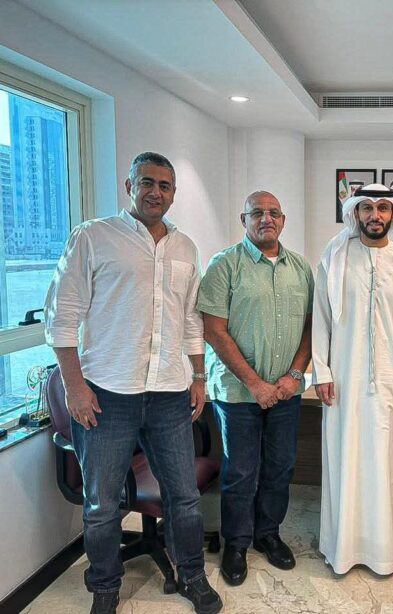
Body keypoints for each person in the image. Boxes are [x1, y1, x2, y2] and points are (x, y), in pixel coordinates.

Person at [44, 152, 222, 614]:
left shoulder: (185, 248)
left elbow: (190, 321)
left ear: (173, 193)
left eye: (164, 185)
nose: (155, 192)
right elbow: (61, 318)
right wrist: (75, 388)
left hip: (169, 393)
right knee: (102, 504)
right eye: (147, 182)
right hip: (106, 394)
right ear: (129, 186)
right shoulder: (93, 237)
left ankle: (193, 576)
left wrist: (198, 375)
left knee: (184, 498)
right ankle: (105, 587)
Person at [312, 183, 393, 575]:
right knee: (344, 462)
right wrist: (322, 371)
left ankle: (383, 553)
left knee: (386, 463)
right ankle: (342, 548)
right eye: (366, 208)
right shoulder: (334, 257)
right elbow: (321, 319)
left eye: (382, 207)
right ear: (355, 213)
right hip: (342, 383)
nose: (374, 215)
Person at [197, 191, 313, 584]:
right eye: (257, 213)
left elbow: (311, 327)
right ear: (243, 219)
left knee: (280, 468)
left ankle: (268, 534)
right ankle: (236, 543)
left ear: (283, 220)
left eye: (273, 213)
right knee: (241, 472)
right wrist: (255, 384)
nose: (266, 219)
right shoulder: (224, 265)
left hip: (285, 393)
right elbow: (214, 331)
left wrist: (293, 375)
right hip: (238, 393)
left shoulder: (301, 268)